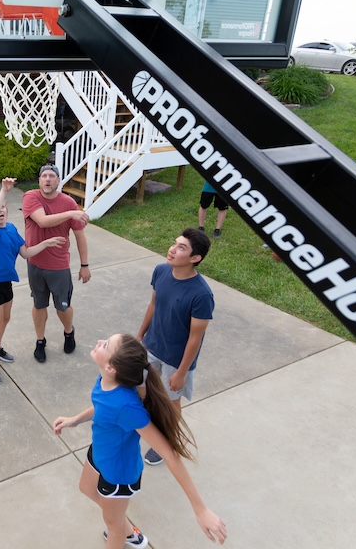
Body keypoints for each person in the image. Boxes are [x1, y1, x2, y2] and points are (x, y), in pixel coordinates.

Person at [53, 333, 227, 548]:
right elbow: (102, 406)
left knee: (113, 525)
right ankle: (122, 524)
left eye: (105, 345)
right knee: (87, 488)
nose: (99, 341)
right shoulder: (107, 380)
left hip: (118, 473)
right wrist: (75, 420)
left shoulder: (128, 406)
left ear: (111, 367)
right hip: (101, 451)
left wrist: (200, 509)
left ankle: (126, 533)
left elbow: (169, 454)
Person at [136, 228, 213, 466]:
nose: (172, 249)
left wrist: (181, 372)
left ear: (195, 258)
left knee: (171, 402)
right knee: (144, 392)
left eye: (182, 247)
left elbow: (195, 338)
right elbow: (153, 305)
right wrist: (139, 336)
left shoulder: (201, 294)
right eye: (174, 243)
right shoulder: (160, 271)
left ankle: (167, 442)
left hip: (175, 360)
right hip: (151, 347)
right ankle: (147, 429)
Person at [0, 177, 65, 384]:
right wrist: (3, 191)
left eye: (3, 208)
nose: (1, 211)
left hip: (6, 284)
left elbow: (25, 253)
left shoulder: (11, 230)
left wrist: (46, 243)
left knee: (5, 320)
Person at [22, 164, 91, 363]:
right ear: (39, 180)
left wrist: (84, 265)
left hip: (59, 266)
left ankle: (69, 332)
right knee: (39, 304)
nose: (48, 179)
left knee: (63, 307)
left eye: (52, 176)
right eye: (44, 176)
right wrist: (71, 214)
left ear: (58, 181)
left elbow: (80, 236)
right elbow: (42, 221)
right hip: (35, 263)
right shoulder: (31, 197)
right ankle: (40, 341)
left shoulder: (68, 202)